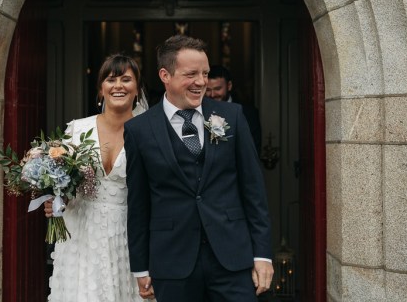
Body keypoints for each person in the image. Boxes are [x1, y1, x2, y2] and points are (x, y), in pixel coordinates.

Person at [124, 35, 273, 302]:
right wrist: (141, 267)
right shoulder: (139, 130)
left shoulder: (233, 116)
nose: (202, 82)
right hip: (172, 261)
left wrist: (262, 254)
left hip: (233, 258)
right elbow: (138, 203)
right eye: (191, 74)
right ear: (165, 75)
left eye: (204, 73)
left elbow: (254, 190)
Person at [45, 54, 146, 302]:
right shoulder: (78, 130)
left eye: (126, 79)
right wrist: (56, 200)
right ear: (101, 89)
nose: (119, 86)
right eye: (111, 79)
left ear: (137, 89)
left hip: (127, 233)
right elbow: (62, 181)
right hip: (81, 231)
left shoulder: (148, 132)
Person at [206, 65, 262, 153]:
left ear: (229, 86)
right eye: (208, 90)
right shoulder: (199, 110)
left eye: (217, 89)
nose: (212, 95)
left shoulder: (248, 113)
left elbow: (253, 151)